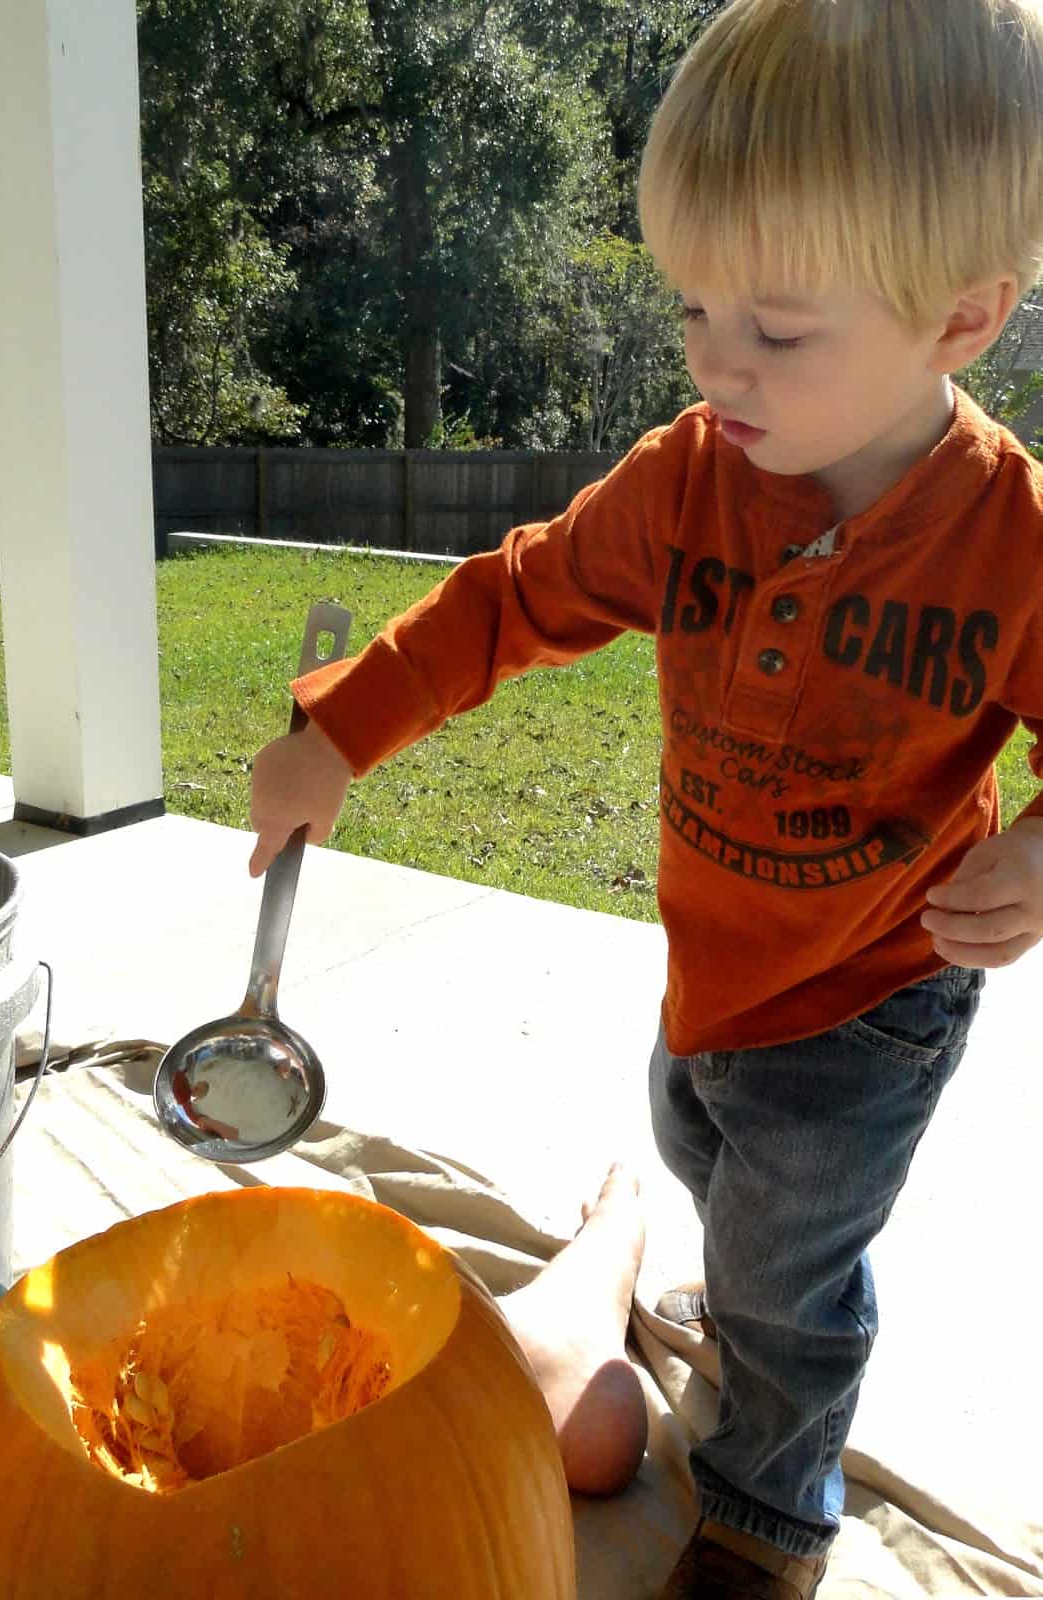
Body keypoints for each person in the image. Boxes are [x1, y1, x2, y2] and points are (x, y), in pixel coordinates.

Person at [250, 1, 1043, 1592]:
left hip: (872, 992)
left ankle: (765, 1510)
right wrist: (343, 730)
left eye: (776, 326)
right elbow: (514, 596)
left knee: (782, 1278)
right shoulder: (684, 478)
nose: (711, 358)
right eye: (691, 304)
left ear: (959, 320)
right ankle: (688, 1294)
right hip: (711, 957)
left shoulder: (1009, 540)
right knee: (699, 1158)